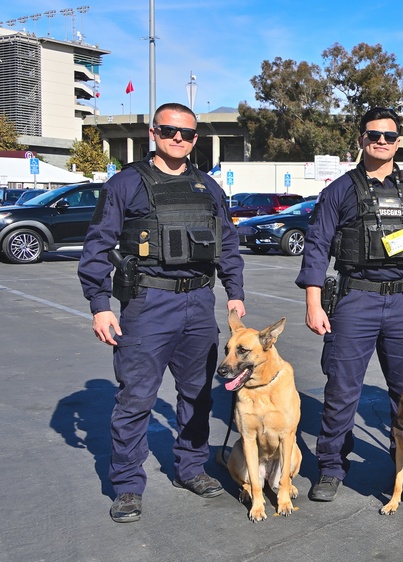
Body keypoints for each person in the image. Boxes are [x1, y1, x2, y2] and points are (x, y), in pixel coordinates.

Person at [78, 102, 246, 523]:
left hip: (198, 304)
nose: (179, 139)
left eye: (188, 134)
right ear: (153, 132)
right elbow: (97, 248)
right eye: (170, 130)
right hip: (148, 304)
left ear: (195, 140)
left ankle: (191, 468)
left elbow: (227, 244)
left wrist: (235, 292)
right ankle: (128, 486)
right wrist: (100, 306)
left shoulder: (208, 187)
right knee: (136, 399)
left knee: (197, 396)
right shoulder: (126, 184)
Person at [296, 107, 403, 502]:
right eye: (373, 135)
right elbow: (316, 248)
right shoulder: (340, 191)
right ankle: (331, 467)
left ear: (398, 142)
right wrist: (314, 303)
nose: (382, 141)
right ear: (361, 139)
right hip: (355, 301)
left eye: (389, 136)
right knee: (342, 390)